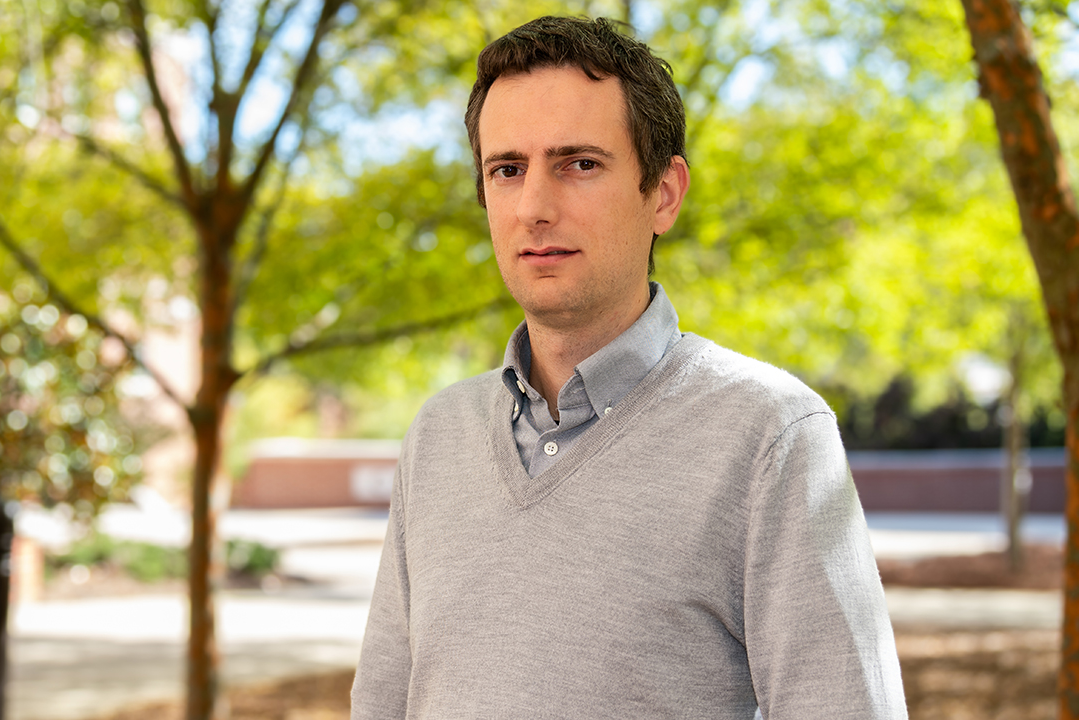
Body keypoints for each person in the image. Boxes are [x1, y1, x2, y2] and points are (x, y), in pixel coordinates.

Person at [350, 16, 906, 719]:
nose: (534, 208)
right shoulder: (438, 435)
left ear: (663, 194)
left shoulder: (770, 435)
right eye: (507, 169)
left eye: (579, 164)